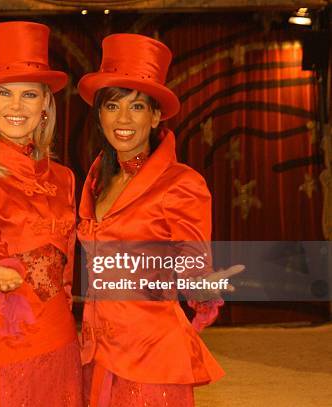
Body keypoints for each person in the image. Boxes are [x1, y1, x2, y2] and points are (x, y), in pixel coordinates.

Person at [76, 34, 243, 406]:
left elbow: (192, 259)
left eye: (136, 107)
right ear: (99, 114)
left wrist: (203, 288)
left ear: (155, 116)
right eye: (112, 106)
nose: (123, 119)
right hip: (98, 348)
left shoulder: (181, 183)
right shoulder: (96, 178)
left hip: (149, 354)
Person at [0, 21, 82, 407]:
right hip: (4, 330)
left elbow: (69, 261)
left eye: (29, 94)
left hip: (59, 331)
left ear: (46, 103)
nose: (15, 106)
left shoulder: (64, 177)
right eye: (4, 93)